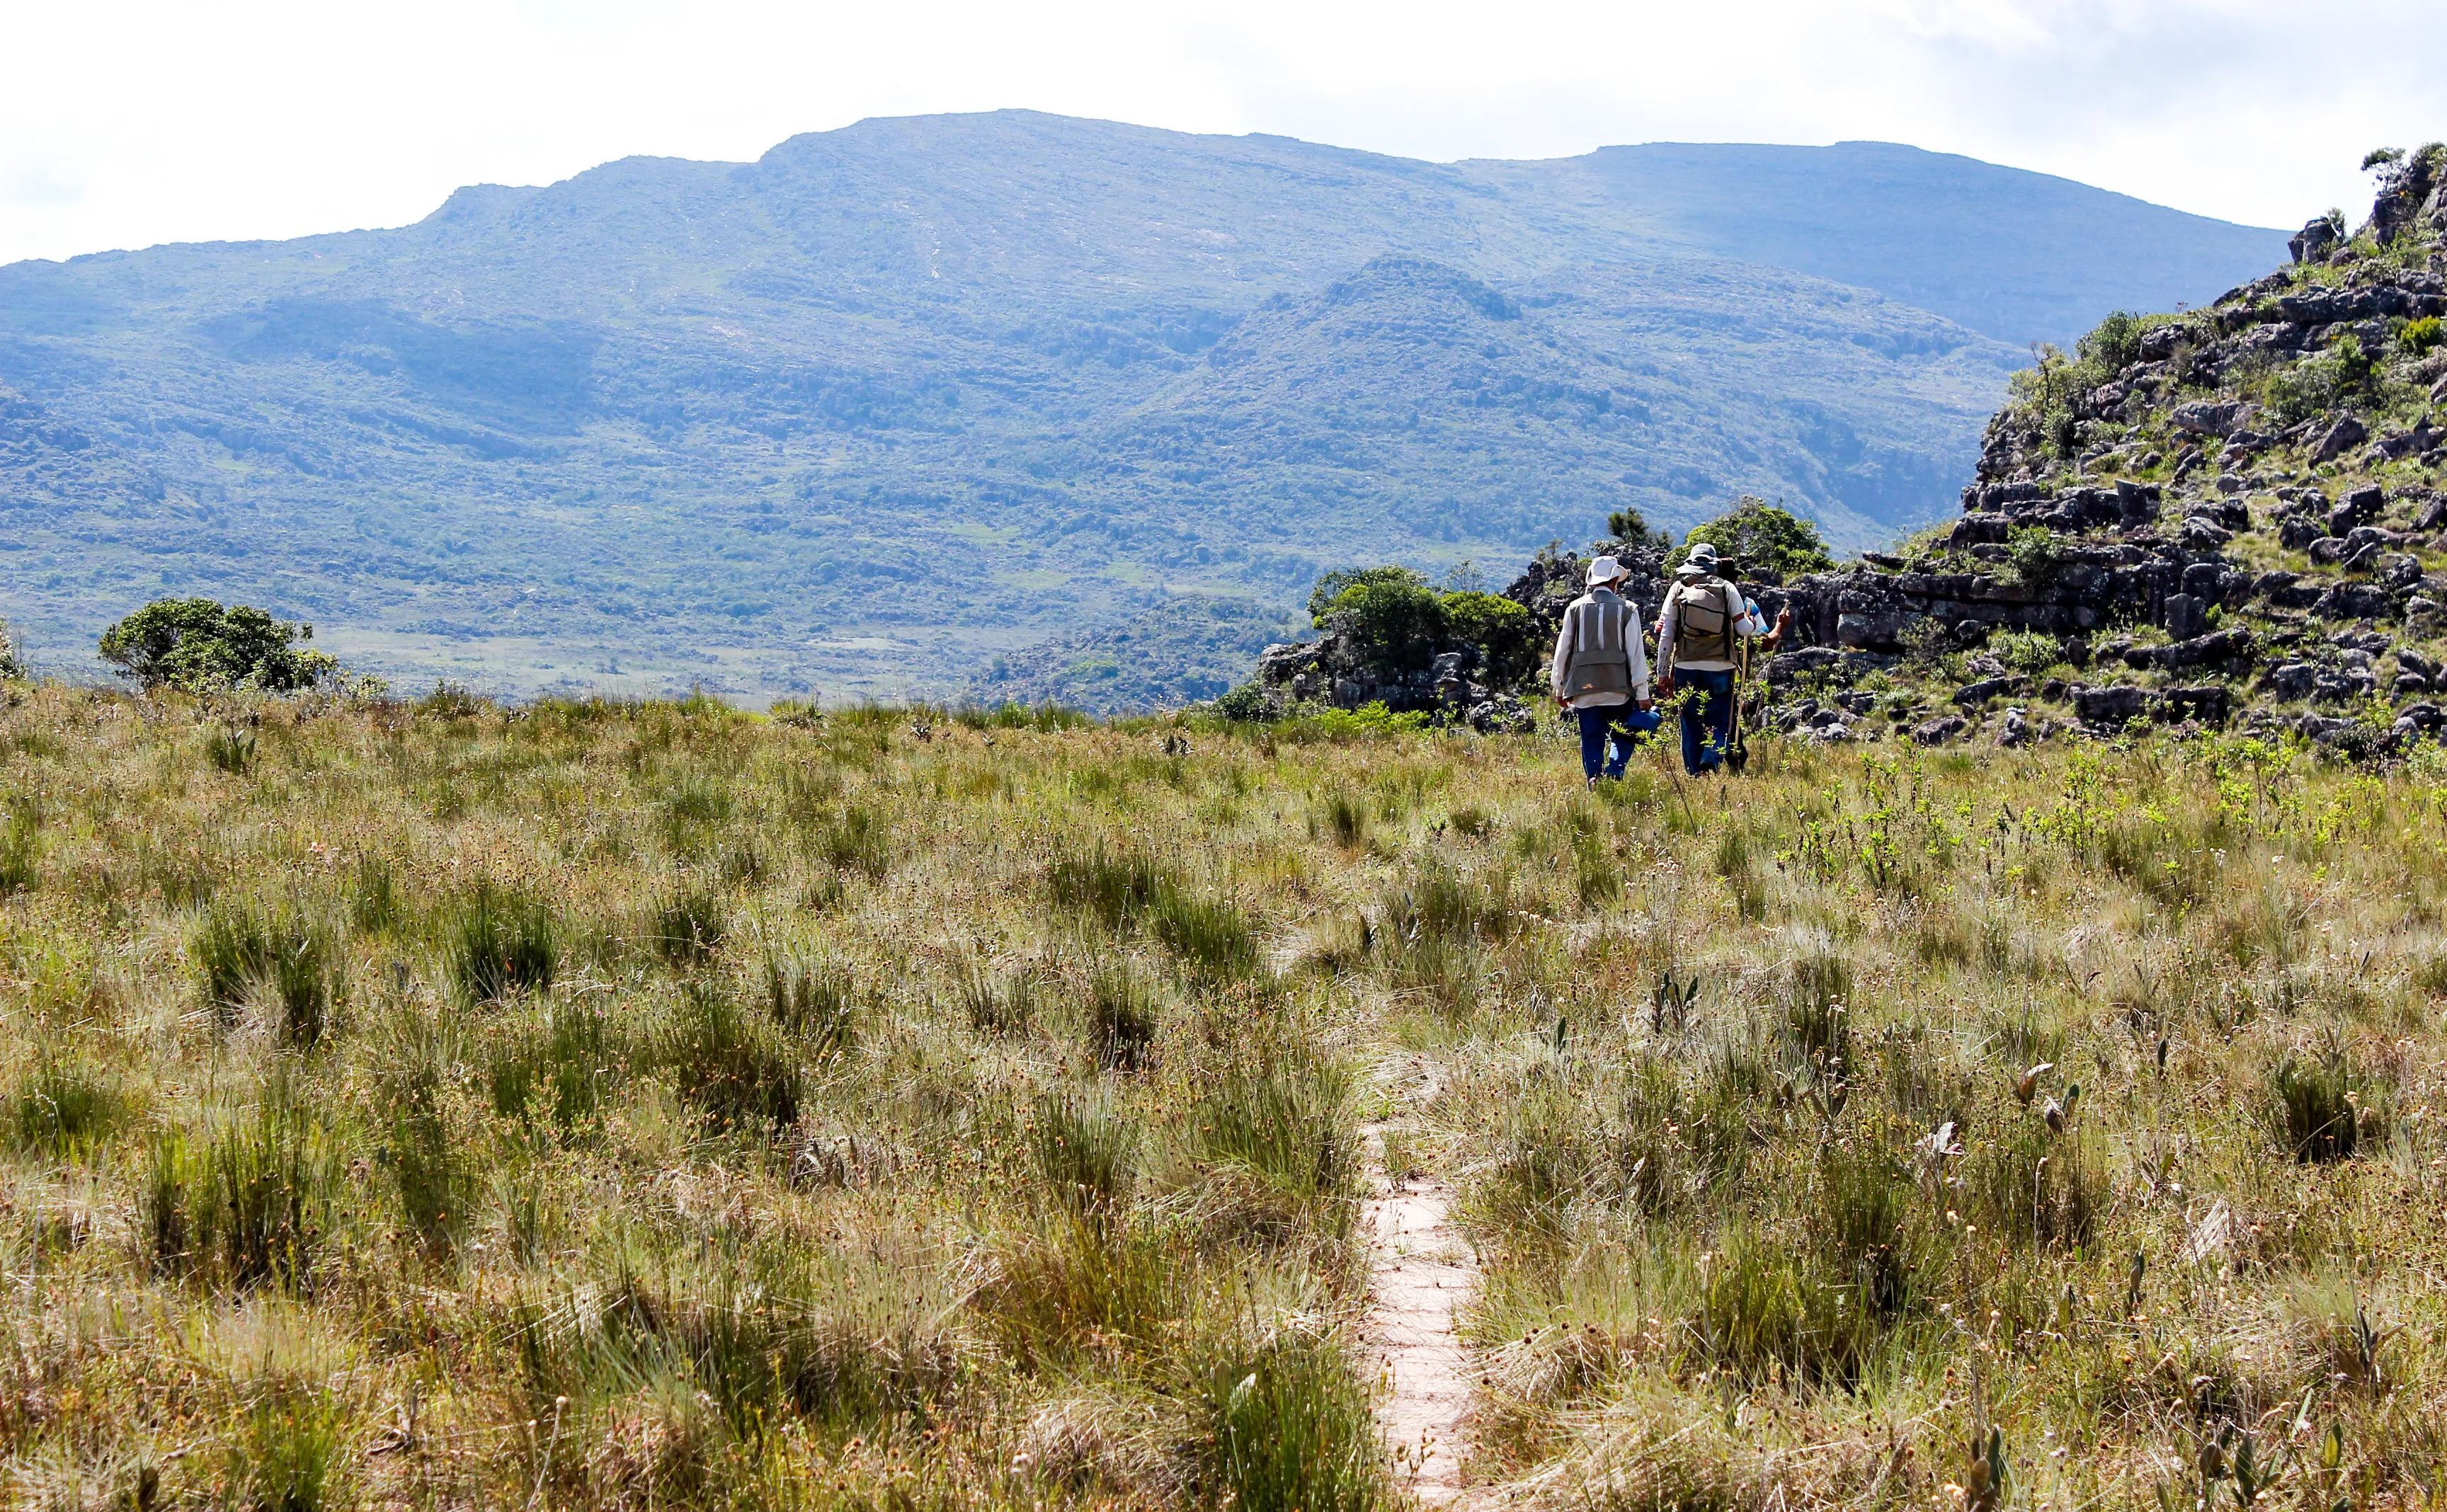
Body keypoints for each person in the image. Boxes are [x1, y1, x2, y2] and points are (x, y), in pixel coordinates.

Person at [1656, 541, 1789, 775]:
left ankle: (1693, 772)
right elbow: (1760, 638)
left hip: (1686, 666)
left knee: (1690, 722)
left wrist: (1663, 672)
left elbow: (1665, 632)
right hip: (1721, 667)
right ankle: (1711, 761)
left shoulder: (1679, 589)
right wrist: (1779, 625)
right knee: (1721, 721)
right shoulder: (1738, 597)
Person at [1550, 556, 1661, 785]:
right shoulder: (1628, 610)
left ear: (1592, 581)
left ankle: (1594, 777)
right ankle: (1616, 770)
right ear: (1615, 582)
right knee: (1624, 732)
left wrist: (1559, 686)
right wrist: (1642, 694)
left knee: (1591, 738)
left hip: (1584, 688)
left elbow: (1563, 650)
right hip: (1618, 687)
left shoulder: (1575, 609)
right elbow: (1636, 654)